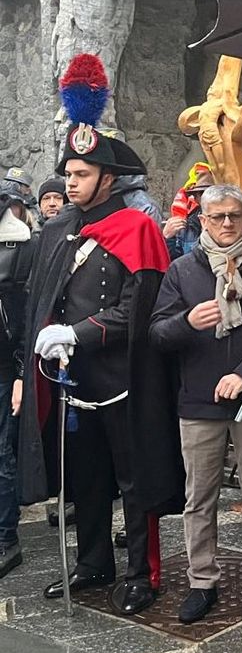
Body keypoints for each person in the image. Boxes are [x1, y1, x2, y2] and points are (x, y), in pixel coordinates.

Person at [20, 104, 184, 615]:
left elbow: (138, 308)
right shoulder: (59, 228)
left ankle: (141, 573)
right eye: (68, 174)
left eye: (82, 174)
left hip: (125, 375)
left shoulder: (137, 228)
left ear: (107, 178)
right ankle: (93, 562)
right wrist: (47, 339)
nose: (71, 183)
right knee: (86, 477)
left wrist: (77, 333)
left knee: (135, 480)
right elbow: (43, 298)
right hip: (74, 380)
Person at [149, 184, 242, 624]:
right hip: (198, 401)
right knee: (199, 497)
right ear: (203, 220)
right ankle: (202, 580)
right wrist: (186, 321)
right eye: (218, 217)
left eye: (235, 215)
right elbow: (157, 333)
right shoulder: (183, 270)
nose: (228, 224)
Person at [0, 191, 34, 578]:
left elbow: (25, 319)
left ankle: (5, 538)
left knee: (1, 456)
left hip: (3, 365)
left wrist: (22, 374)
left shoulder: (19, 244)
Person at [163, 166, 215, 260]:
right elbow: (174, 262)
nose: (208, 197)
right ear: (196, 198)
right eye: (202, 193)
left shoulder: (227, 222)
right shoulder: (185, 226)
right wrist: (167, 238)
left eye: (212, 193)